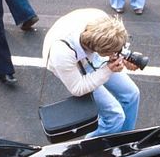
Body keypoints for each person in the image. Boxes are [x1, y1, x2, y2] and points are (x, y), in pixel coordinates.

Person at [42, 7, 140, 136]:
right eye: (112, 52)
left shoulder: (100, 19)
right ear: (99, 51)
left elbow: (115, 38)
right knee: (115, 117)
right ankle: (88, 146)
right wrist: (108, 69)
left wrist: (123, 57)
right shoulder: (61, 53)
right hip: (72, 65)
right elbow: (78, 88)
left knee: (132, 94)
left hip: (91, 48)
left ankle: (125, 139)